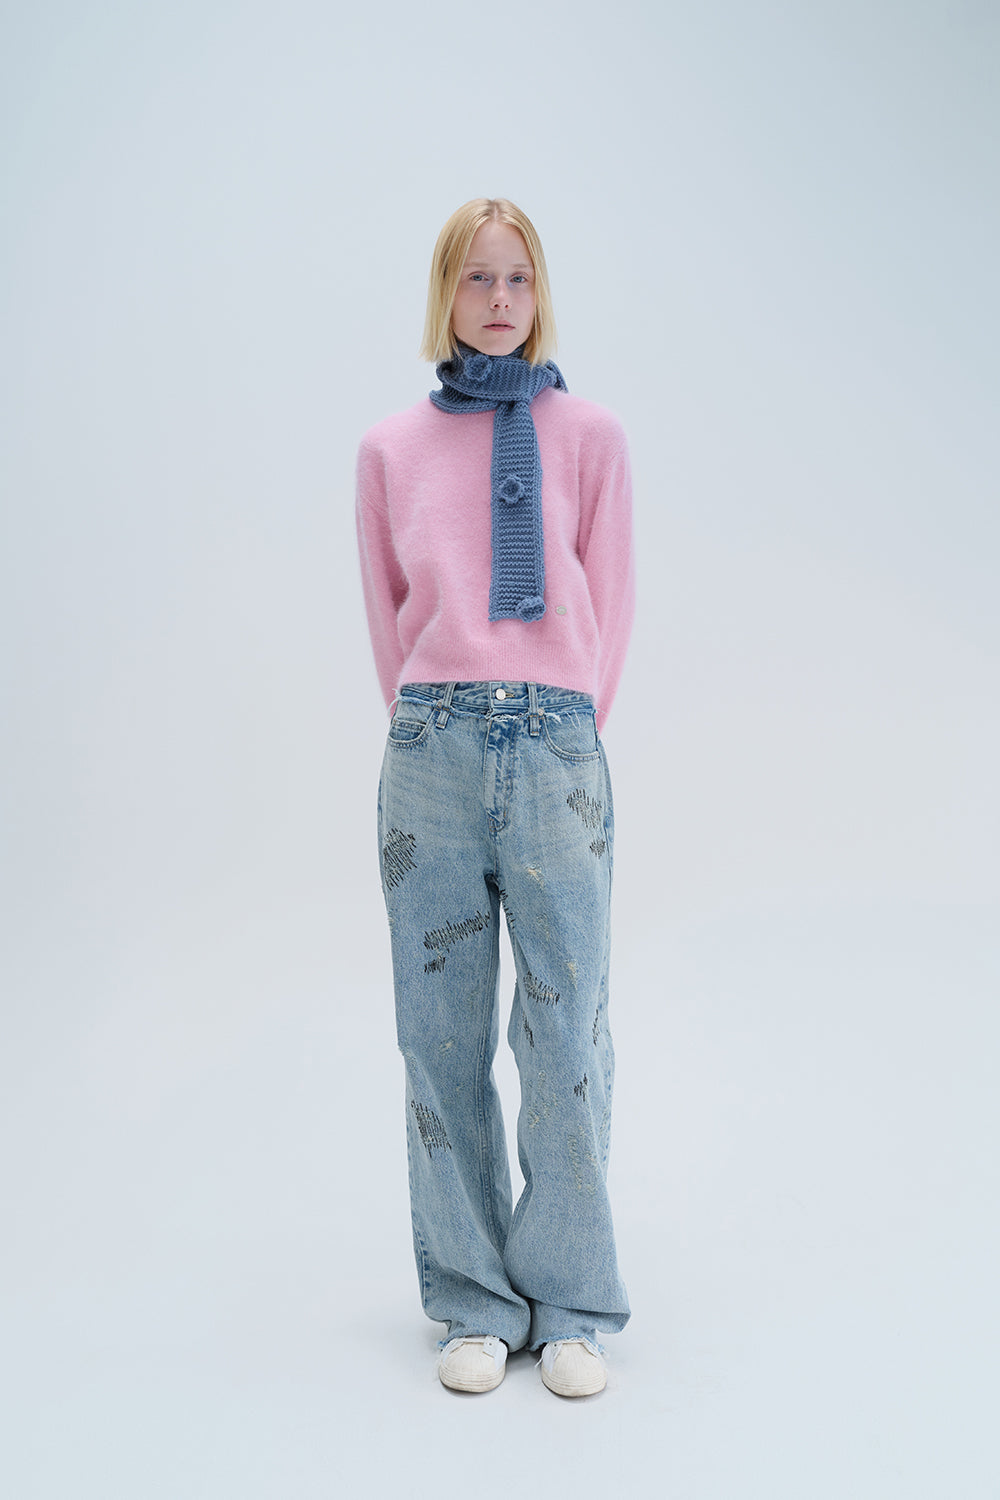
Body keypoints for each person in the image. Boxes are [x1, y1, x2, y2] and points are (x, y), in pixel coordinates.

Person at [355, 198, 635, 1397]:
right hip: (432, 749)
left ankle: (567, 1303)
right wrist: (439, 719)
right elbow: (388, 617)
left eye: (517, 278)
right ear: (445, 294)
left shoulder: (590, 437)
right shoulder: (389, 450)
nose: (500, 300)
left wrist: (560, 723)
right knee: (440, 1036)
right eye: (477, 279)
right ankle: (472, 1299)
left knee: (564, 1033)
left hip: (557, 749)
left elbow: (610, 604)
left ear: (540, 291)